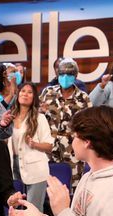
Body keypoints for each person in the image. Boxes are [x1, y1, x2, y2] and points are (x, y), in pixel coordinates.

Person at [6, 83, 53, 216]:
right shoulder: (10, 116)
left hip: (36, 168)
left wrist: (34, 144)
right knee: (15, 206)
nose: (25, 94)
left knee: (34, 207)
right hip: (14, 166)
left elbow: (49, 145)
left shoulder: (39, 118)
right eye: (23, 91)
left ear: (34, 97)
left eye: (30, 92)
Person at [39, 58, 91, 189]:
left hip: (73, 148)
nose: (65, 77)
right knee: (47, 185)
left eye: (69, 74)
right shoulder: (48, 93)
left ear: (75, 76)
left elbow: (91, 124)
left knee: (73, 186)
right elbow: (35, 115)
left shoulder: (83, 98)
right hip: (49, 146)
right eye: (62, 74)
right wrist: (40, 111)